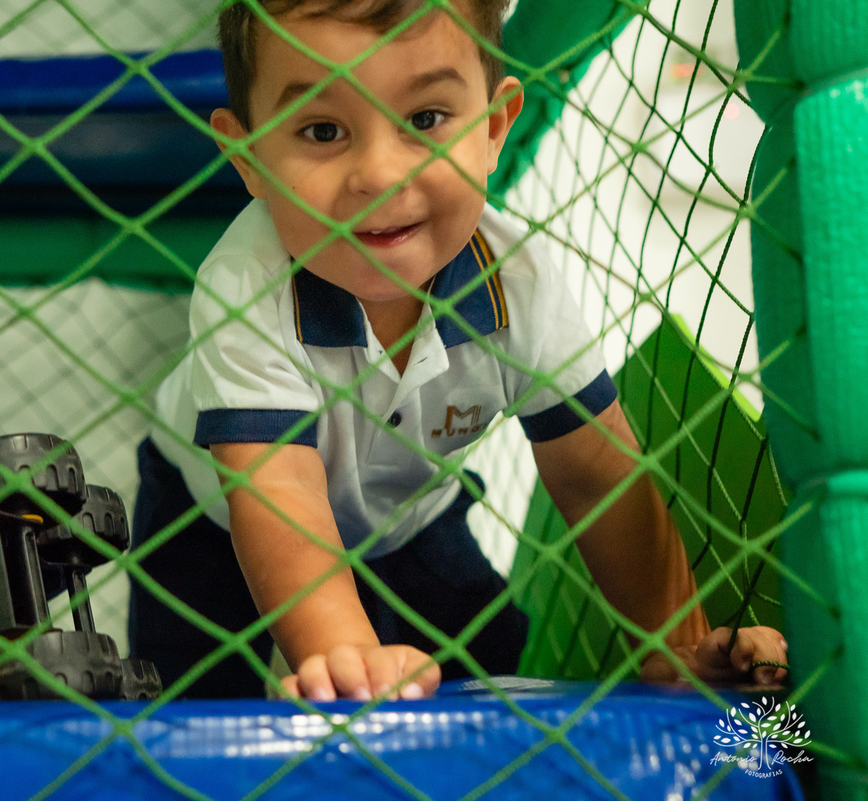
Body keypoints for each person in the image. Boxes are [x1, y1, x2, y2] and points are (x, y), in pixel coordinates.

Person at [127, 0, 788, 701]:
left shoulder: (518, 286)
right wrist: (346, 656)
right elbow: (280, 495)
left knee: (485, 649)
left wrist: (676, 645)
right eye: (323, 129)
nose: (380, 173)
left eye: (425, 119)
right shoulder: (243, 286)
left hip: (409, 510)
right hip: (211, 513)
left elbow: (600, 477)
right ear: (250, 160)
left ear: (495, 126)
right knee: (185, 696)